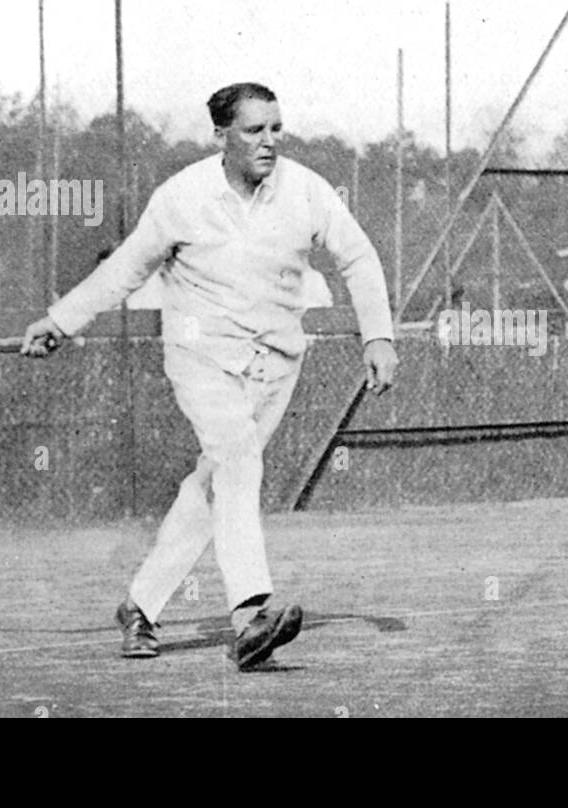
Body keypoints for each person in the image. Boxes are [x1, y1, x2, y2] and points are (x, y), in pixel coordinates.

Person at [21, 82, 398, 670]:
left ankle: (140, 606)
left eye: (276, 127)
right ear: (221, 136)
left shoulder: (306, 191)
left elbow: (358, 256)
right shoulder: (181, 197)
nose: (269, 142)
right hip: (200, 359)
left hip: (275, 361)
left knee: (215, 484)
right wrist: (62, 319)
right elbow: (125, 268)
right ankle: (250, 613)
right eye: (254, 131)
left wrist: (378, 335)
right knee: (240, 461)